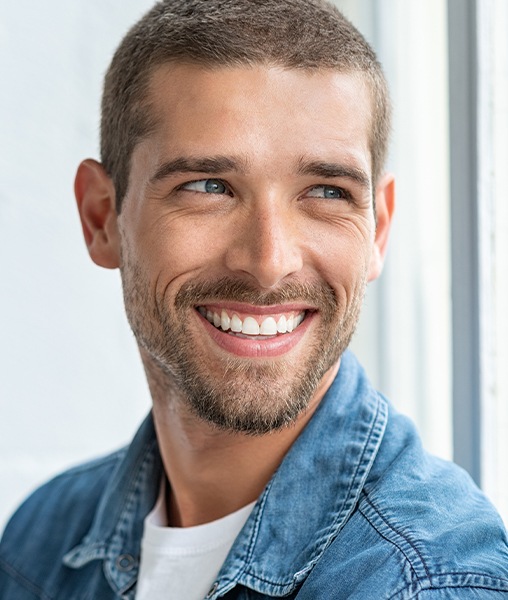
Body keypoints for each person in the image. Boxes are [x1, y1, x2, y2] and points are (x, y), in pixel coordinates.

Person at [1, 0, 507, 597]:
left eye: (326, 191)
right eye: (209, 187)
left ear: (377, 229)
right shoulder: (39, 542)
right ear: (102, 216)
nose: (269, 262)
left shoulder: (427, 582)